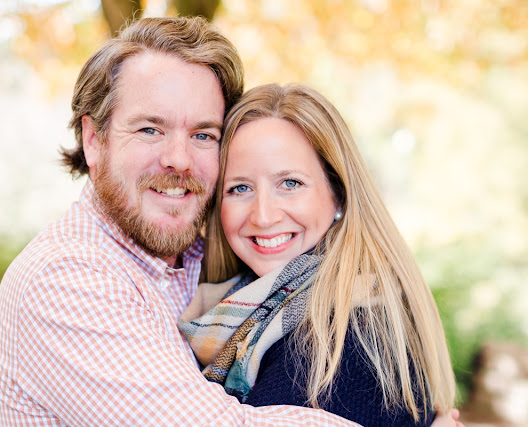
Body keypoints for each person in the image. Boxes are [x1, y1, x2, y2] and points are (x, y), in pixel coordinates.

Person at [0, 16, 360, 426]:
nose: (179, 159)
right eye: (150, 129)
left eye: (203, 135)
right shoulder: (63, 280)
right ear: (94, 140)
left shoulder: (214, 261)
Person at [179, 83, 458, 426]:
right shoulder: (250, 309)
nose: (263, 215)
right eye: (240, 188)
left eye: (290, 183)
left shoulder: (339, 339)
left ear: (338, 194)